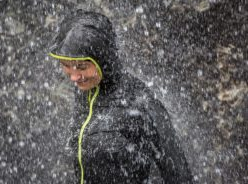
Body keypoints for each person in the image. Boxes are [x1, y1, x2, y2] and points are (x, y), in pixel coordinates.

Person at [48, 9, 193, 184]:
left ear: (102, 59)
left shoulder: (141, 102)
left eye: (81, 67)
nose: (73, 76)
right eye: (66, 65)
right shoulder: (86, 91)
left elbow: (179, 175)